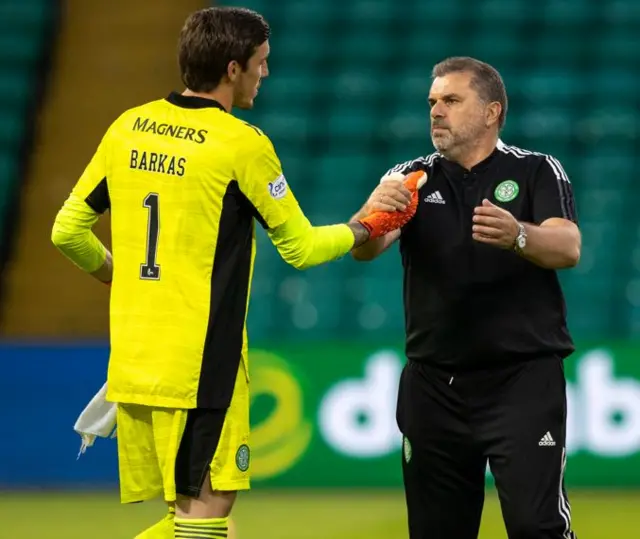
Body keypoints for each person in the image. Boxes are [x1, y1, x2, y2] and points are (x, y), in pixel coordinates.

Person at [51, 7, 417, 539]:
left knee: (194, 520)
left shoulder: (127, 127)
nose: (265, 73)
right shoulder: (241, 144)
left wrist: (118, 275)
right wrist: (367, 226)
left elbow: (67, 231)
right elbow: (302, 248)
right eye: (261, 63)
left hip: (132, 360)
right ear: (231, 69)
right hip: (200, 363)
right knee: (206, 518)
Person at [352, 56, 581, 539]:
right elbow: (368, 247)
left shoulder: (537, 169)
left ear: (492, 111)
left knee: (535, 527)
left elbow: (568, 246)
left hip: (522, 380)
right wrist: (375, 211)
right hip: (434, 386)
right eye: (432, 102)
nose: (436, 111)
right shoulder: (410, 176)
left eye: (451, 101)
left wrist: (518, 234)